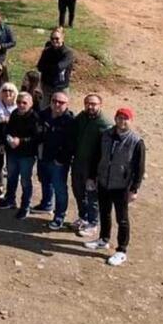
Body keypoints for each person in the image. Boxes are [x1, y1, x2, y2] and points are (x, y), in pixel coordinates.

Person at [84, 107, 145, 267]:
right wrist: (92, 177)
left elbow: (139, 167)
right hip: (104, 181)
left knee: (122, 219)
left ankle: (121, 250)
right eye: (119, 117)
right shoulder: (106, 135)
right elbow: (97, 156)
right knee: (104, 213)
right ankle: (103, 239)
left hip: (121, 186)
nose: (121, 121)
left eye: (125, 118)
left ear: (130, 121)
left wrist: (134, 189)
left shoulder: (136, 141)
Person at [0, 91, 42, 219]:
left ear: (31, 104)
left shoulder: (34, 117)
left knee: (25, 181)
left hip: (26, 155)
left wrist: (20, 141)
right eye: (18, 102)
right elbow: (8, 130)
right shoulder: (14, 114)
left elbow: (36, 137)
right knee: (11, 177)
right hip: (12, 152)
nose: (21, 105)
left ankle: (25, 206)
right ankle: (10, 199)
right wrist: (7, 141)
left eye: (24, 103)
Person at [72, 94, 111, 236]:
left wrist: (96, 172)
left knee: (92, 195)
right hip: (78, 162)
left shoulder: (105, 124)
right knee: (78, 191)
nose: (90, 106)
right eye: (88, 103)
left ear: (100, 105)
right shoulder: (81, 118)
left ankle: (93, 223)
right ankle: (83, 217)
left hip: (93, 166)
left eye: (93, 104)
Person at [37, 91, 76, 229]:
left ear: (67, 104)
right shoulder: (44, 114)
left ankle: (59, 216)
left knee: (59, 188)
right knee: (45, 181)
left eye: (61, 102)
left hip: (58, 162)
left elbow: (71, 144)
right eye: (54, 101)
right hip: (43, 156)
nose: (57, 104)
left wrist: (61, 159)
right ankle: (46, 204)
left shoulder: (70, 121)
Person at [37, 28, 74, 109]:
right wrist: (51, 68)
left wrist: (47, 67)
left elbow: (59, 67)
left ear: (63, 38)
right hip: (47, 86)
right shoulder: (47, 51)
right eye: (52, 39)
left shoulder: (68, 53)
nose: (54, 41)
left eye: (57, 38)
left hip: (61, 87)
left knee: (61, 109)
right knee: (44, 109)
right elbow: (39, 67)